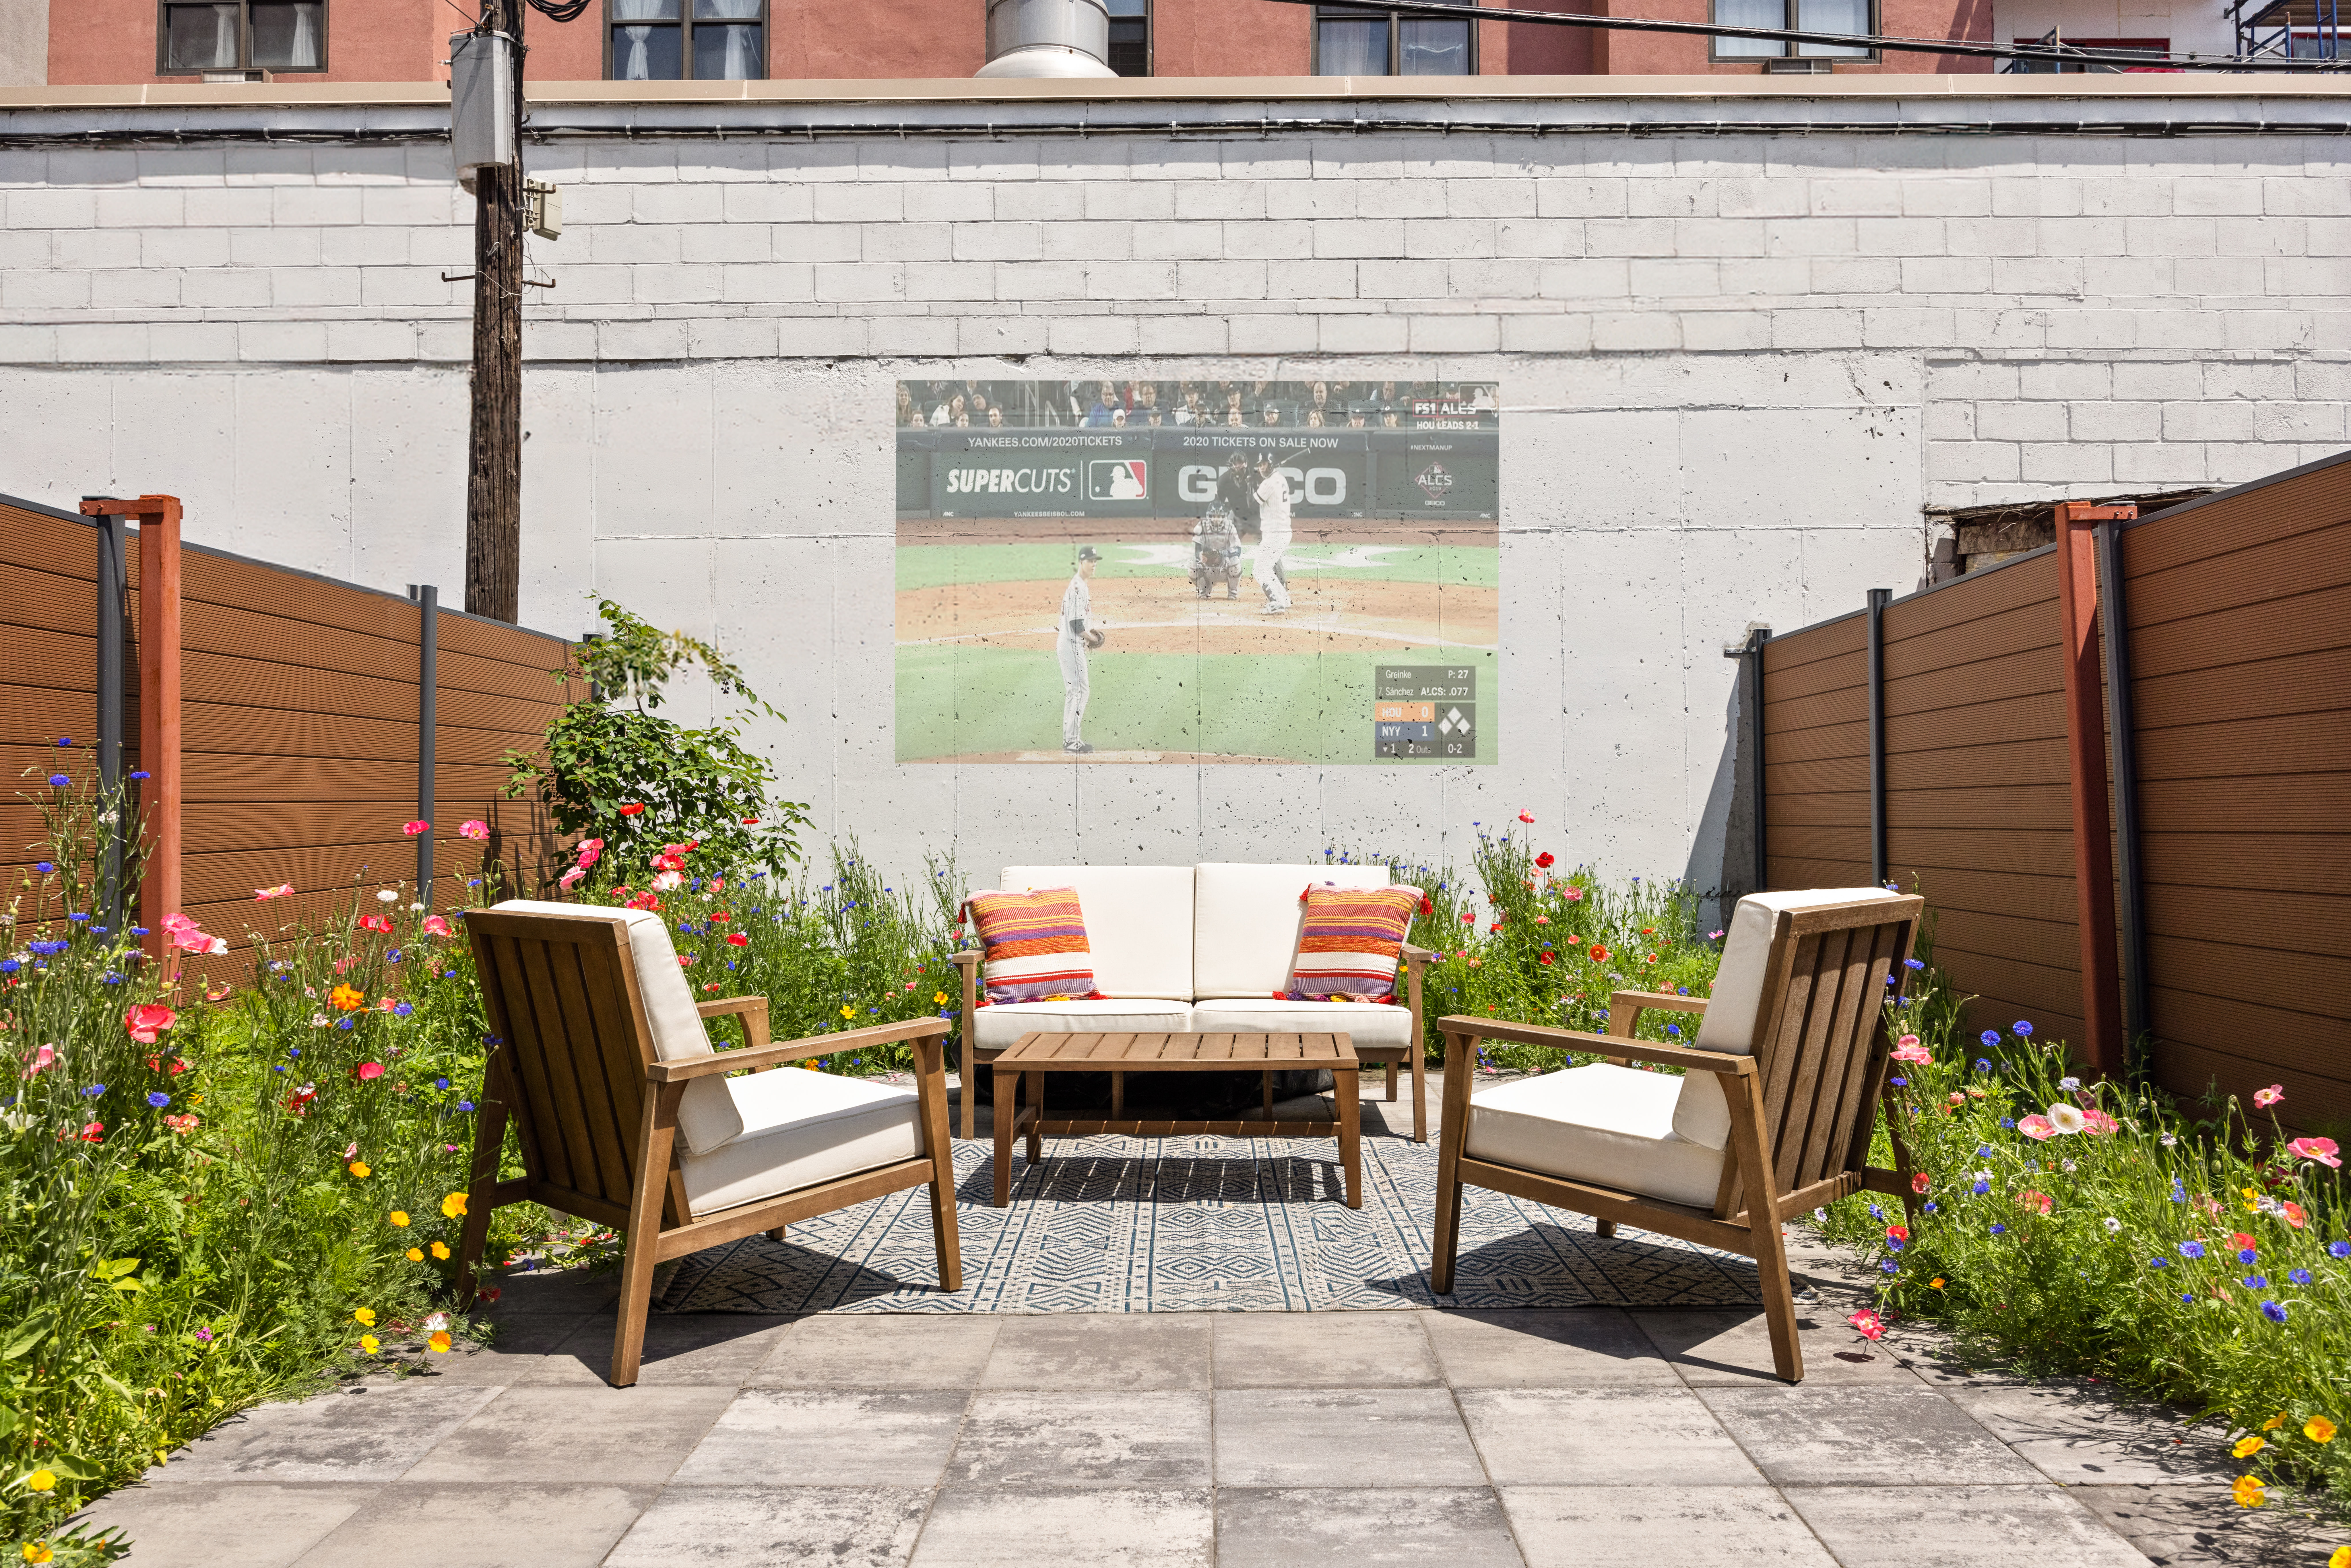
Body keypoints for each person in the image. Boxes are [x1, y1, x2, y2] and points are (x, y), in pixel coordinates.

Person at [1058, 546, 1104, 754]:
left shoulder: (1079, 584)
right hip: (1072, 644)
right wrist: (1092, 638)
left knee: (1075, 691)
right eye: (1091, 561)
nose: (1094, 564)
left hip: (1069, 644)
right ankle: (1072, 741)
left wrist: (1087, 637)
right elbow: (1076, 626)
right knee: (1081, 691)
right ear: (1081, 563)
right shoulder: (1079, 587)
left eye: (1096, 561)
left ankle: (1070, 740)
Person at [1252, 456, 1292, 615]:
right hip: (1281, 532)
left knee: (1260, 570)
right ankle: (1283, 599)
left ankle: (1276, 602)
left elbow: (1252, 504)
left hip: (1276, 533)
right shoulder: (1280, 478)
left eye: (1264, 465)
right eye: (1260, 465)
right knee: (1265, 568)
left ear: (1271, 464)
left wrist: (1254, 486)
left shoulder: (1268, 483)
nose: (1261, 468)